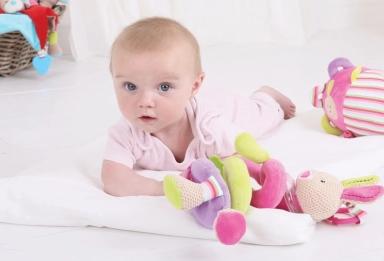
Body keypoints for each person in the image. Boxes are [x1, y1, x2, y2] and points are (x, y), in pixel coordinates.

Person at [101, 17, 296, 197]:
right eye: (130, 86)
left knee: (260, 120)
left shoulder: (212, 125)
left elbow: (239, 157)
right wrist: (161, 188)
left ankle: (267, 94)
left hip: (224, 106)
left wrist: (224, 174)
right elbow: (113, 178)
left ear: (194, 86)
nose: (145, 101)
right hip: (193, 98)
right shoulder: (125, 132)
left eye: (164, 87)